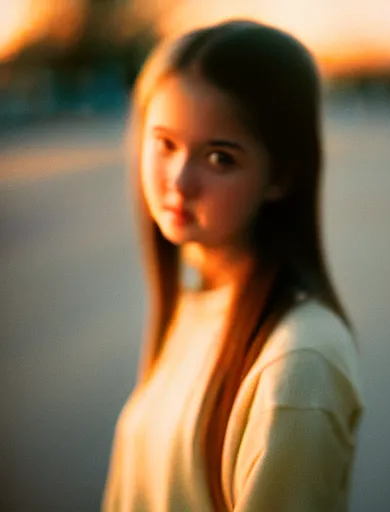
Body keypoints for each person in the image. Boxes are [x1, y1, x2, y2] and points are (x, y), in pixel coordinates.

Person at [102, 18, 364, 512]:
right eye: (165, 144)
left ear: (281, 175)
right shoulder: (195, 302)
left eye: (220, 158)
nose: (180, 181)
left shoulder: (299, 361)